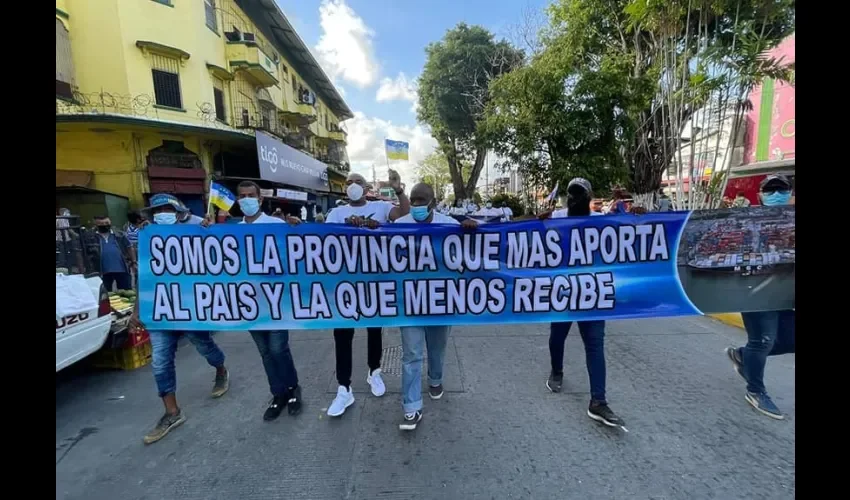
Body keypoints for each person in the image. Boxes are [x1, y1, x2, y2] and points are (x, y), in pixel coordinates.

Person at [131, 193, 230, 444]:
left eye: (166, 209)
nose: (161, 213)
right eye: (157, 210)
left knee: (205, 347)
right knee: (160, 361)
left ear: (177, 212)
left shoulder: (196, 228)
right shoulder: (147, 236)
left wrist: (211, 230)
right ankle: (172, 413)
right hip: (160, 309)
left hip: (190, 308)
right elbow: (142, 275)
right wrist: (136, 310)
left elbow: (219, 253)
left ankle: (220, 369)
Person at [538, 178, 625, 429]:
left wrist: (638, 219)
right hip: (562, 293)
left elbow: (630, 236)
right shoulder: (555, 216)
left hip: (592, 294)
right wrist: (536, 222)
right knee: (557, 337)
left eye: (580, 195)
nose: (574, 200)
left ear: (590, 198)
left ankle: (598, 401)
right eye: (570, 195)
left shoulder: (599, 221)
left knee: (595, 345)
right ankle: (557, 371)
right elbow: (524, 235)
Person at [324, 170, 410, 417]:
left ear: (366, 187)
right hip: (345, 283)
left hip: (374, 281)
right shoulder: (336, 213)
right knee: (342, 334)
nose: (352, 185)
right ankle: (344, 389)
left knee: (374, 330)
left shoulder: (382, 208)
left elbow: (403, 213)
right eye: (348, 182)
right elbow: (320, 241)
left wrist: (398, 190)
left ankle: (374, 372)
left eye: (358, 182)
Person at [393, 182, 478, 430]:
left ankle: (435, 379)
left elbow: (472, 254)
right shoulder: (398, 227)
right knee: (411, 354)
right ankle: (411, 407)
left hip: (441, 302)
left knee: (437, 348)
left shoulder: (450, 226)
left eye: (422, 200)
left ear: (433, 200)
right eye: (413, 199)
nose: (417, 205)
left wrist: (472, 231)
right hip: (408, 303)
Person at [724, 174, 795, 419]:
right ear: (760, 195)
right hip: (755, 289)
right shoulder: (746, 221)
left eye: (782, 189)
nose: (777, 194)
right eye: (771, 190)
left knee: (790, 340)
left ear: (790, 192)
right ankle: (756, 390)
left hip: (786, 292)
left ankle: (744, 356)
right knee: (762, 340)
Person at [236, 181, 304, 420]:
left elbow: (296, 252)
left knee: (278, 348)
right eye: (242, 196)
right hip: (249, 303)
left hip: (275, 301)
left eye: (250, 195)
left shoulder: (276, 225)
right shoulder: (232, 231)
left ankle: (293, 389)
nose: (246, 199)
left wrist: (297, 228)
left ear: (260, 200)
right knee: (265, 352)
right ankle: (278, 394)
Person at [88, 216, 136, 291]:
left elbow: (129, 247)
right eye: (101, 223)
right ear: (96, 225)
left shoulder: (119, 234)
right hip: (102, 271)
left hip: (122, 269)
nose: (104, 225)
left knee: (126, 294)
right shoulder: (91, 237)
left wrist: (134, 262)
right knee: (105, 295)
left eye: (107, 223)